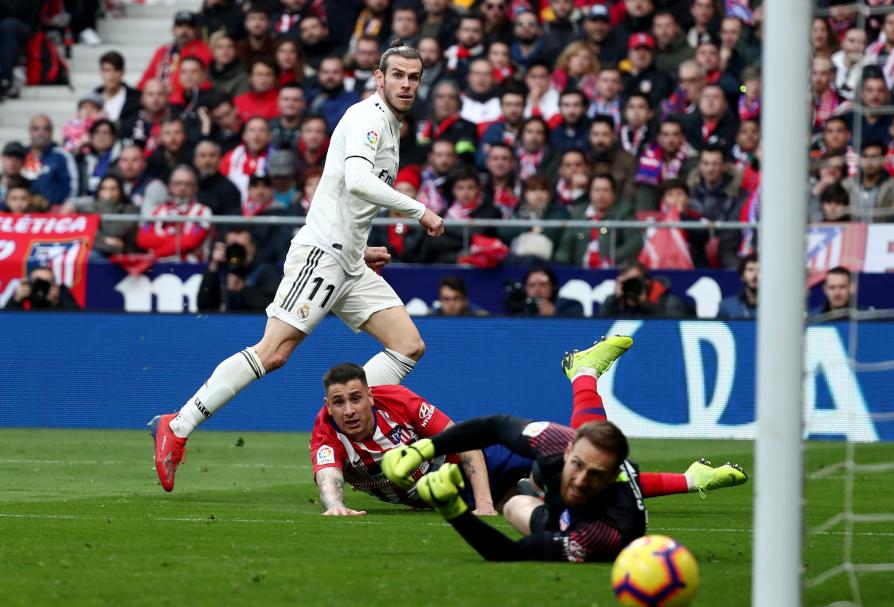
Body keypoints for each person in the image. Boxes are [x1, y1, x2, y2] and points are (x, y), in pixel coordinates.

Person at [149, 43, 446, 493]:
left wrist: (361, 249)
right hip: (323, 253)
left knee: (408, 345)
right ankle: (179, 424)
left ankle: (344, 422)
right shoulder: (368, 118)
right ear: (379, 78)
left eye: (414, 77)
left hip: (348, 257)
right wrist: (419, 210)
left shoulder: (390, 124)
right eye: (398, 75)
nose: (407, 84)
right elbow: (357, 180)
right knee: (274, 352)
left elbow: (345, 199)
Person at [382, 336, 747, 562]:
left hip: (573, 521)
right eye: (577, 464)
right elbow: (494, 426)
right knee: (526, 492)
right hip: (563, 484)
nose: (580, 479)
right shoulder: (560, 444)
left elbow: (506, 554)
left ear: (611, 478)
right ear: (568, 450)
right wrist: (423, 450)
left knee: (518, 503)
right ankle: (585, 373)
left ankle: (689, 477)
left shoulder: (600, 536)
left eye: (596, 474)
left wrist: (454, 510)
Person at [310, 362, 520, 516]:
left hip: (473, 462)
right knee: (515, 505)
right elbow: (328, 479)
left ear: (370, 397)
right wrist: (335, 506)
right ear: (327, 405)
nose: (349, 411)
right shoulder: (326, 433)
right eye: (338, 402)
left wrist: (484, 504)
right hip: (441, 494)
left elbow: (464, 441)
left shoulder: (398, 401)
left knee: (536, 451)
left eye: (356, 399)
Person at [137, 166, 214, 263]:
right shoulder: (158, 210)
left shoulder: (203, 211)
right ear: (170, 186)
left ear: (195, 188)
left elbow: (190, 242)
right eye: (178, 183)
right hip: (158, 267)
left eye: (188, 184)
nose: (182, 187)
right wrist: (175, 240)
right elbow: (143, 239)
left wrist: (157, 252)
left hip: (191, 267)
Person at [197, 228, 283, 313]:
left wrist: (243, 289)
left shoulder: (266, 271)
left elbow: (274, 308)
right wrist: (213, 267)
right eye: (232, 248)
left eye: (241, 248)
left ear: (253, 248)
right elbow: (202, 307)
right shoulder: (221, 271)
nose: (236, 254)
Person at [599, 260, 693, 318]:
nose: (632, 285)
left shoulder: (670, 303)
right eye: (628, 281)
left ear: (646, 281)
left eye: (635, 281)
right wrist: (614, 299)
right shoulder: (617, 302)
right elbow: (599, 328)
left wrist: (644, 304)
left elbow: (670, 332)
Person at [21, 116, 77, 208]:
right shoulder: (21, 154)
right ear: (30, 131)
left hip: (55, 214)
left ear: (51, 132)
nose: (41, 133)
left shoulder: (62, 155)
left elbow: (72, 187)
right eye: (36, 129)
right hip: (23, 213)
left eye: (46, 129)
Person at [504, 266, 584, 317]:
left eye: (543, 284)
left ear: (553, 286)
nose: (537, 289)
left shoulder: (569, 305)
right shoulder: (519, 308)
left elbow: (577, 330)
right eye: (532, 285)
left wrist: (554, 314)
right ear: (525, 288)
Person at [4, 265, 80, 311]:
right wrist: (16, 301)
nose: (41, 286)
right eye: (37, 281)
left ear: (54, 286)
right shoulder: (25, 292)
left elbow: (77, 322)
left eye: (46, 282)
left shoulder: (60, 294)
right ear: (29, 283)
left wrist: (57, 303)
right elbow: (5, 323)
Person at [717, 252, 758, 319]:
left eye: (759, 270)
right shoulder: (726, 307)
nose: (755, 275)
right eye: (750, 270)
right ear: (742, 276)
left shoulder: (776, 308)